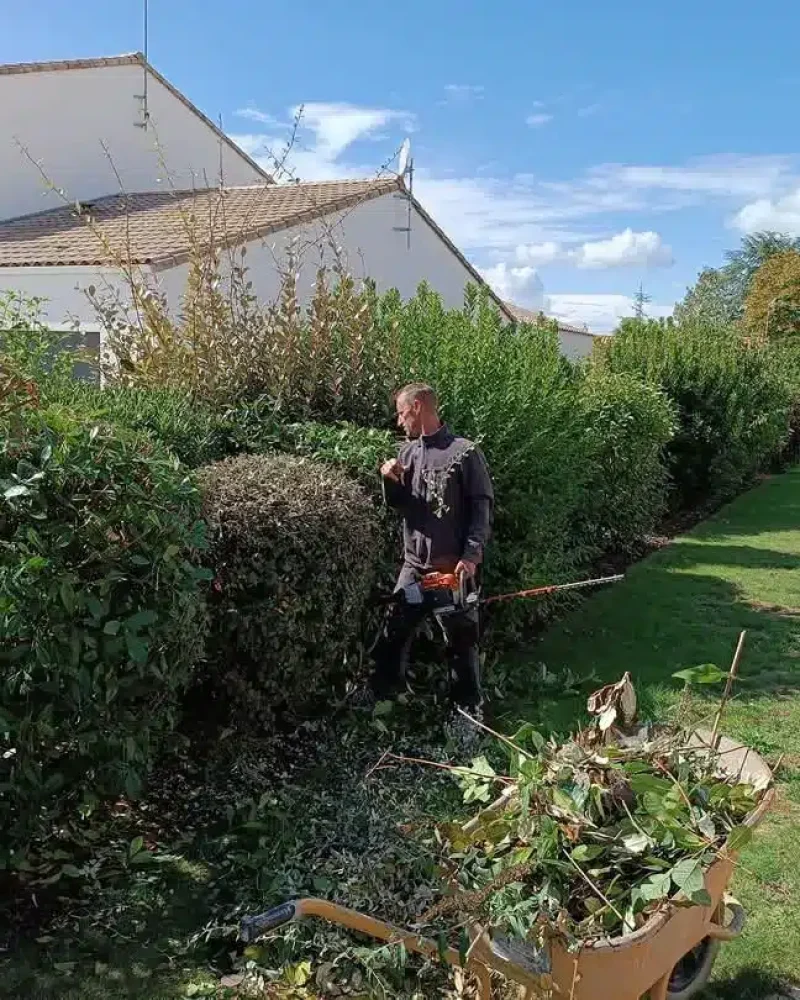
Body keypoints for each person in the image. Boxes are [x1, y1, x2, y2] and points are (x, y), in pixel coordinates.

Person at [368, 382, 494, 742]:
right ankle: (386, 695)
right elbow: (398, 505)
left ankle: (467, 713)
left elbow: (482, 508)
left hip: (451, 568)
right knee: (393, 631)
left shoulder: (464, 452)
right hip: (413, 568)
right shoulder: (406, 454)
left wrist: (471, 556)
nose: (399, 421)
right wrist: (388, 479)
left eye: (401, 413)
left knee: (461, 644)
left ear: (418, 407)